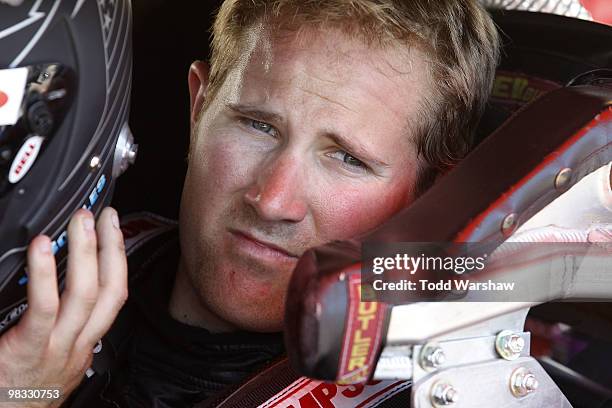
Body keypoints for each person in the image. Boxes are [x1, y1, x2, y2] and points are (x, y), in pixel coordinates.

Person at [0, 0, 500, 406]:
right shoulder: (59, 252)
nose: (272, 200)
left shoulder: (430, 394)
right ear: (199, 107)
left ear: (433, 195)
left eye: (347, 159)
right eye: (258, 126)